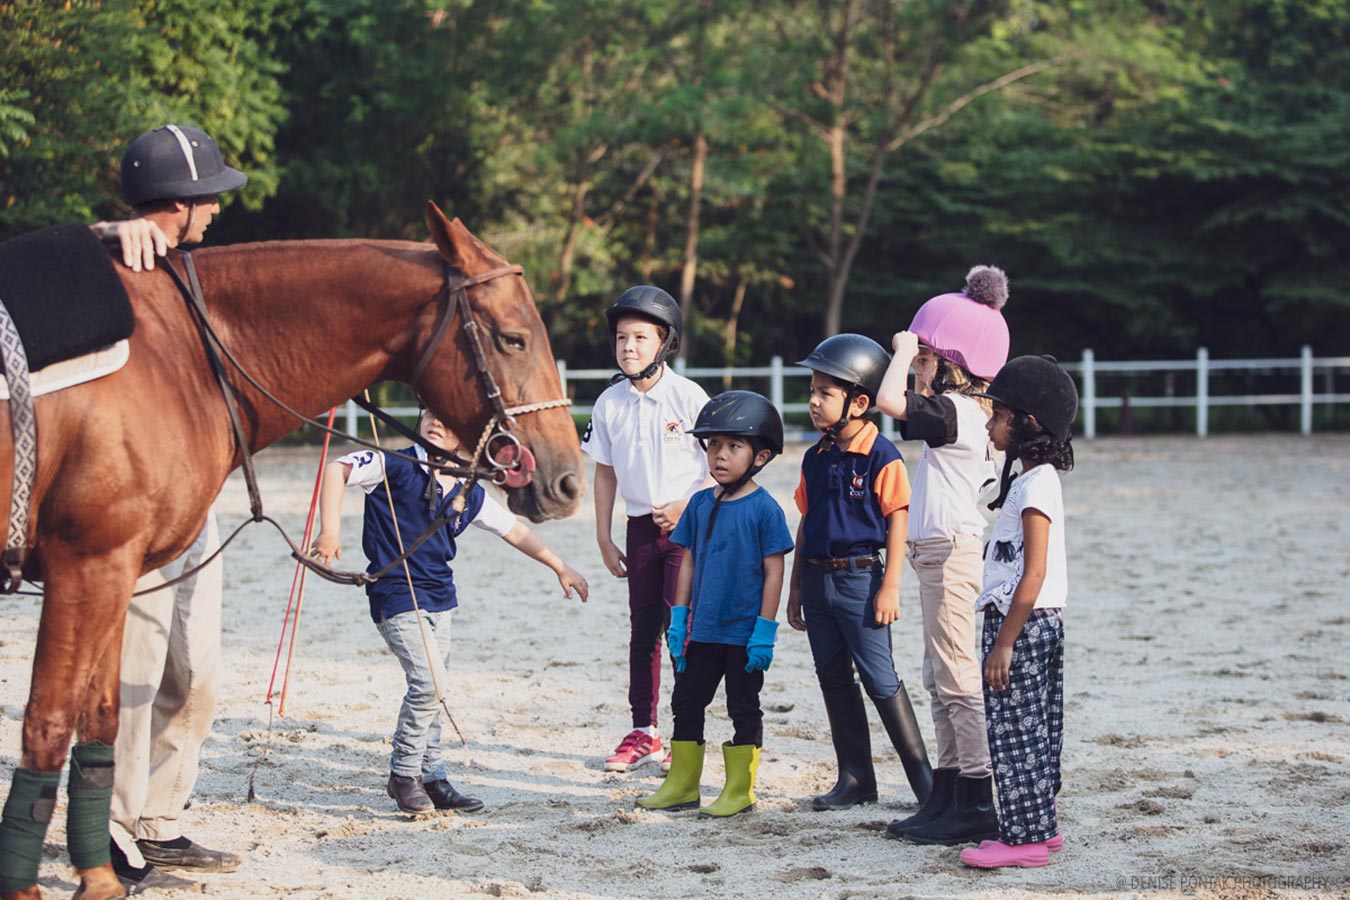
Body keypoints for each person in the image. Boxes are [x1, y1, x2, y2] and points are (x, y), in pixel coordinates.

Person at [92, 123, 248, 894]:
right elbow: (30, 265)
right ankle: (116, 824)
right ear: (176, 203)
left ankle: (160, 814)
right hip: (138, 498)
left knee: (198, 670)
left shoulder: (196, 273)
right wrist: (105, 235)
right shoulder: (110, 262)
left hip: (201, 493)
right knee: (138, 669)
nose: (218, 209)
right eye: (209, 197)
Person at [312, 411, 589, 814]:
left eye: (447, 417)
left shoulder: (469, 490)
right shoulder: (395, 464)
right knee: (426, 685)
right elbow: (337, 469)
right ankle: (403, 775)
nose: (436, 421)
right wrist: (330, 529)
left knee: (435, 689)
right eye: (429, 414)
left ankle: (433, 775)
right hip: (396, 596)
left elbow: (514, 530)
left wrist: (559, 565)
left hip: (441, 599)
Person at [873, 265, 1010, 845]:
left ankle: (976, 797)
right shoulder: (963, 415)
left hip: (950, 553)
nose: (918, 367)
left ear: (952, 362)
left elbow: (886, 398)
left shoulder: (957, 413)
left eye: (928, 357)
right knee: (939, 676)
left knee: (956, 678)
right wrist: (916, 351)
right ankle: (946, 792)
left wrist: (902, 350)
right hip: (940, 553)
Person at [786, 334, 933, 813]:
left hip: (861, 581)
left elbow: (898, 520)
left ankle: (925, 786)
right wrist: (794, 588)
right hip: (816, 581)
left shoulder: (881, 456)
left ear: (860, 401)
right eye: (812, 389)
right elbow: (807, 521)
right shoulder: (816, 456)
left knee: (880, 679)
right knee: (832, 677)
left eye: (824, 392)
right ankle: (855, 778)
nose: (812, 400)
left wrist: (890, 586)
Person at [634, 392, 795, 818]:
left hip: (743, 634)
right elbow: (687, 560)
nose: (720, 456)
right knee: (686, 702)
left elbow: (774, 572)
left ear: (760, 456)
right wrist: (679, 618)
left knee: (743, 706)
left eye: (733, 447)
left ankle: (739, 790)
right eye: (713, 445)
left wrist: (765, 630)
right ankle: (683, 784)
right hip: (701, 630)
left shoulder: (766, 510)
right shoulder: (701, 503)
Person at [581, 286, 710, 773]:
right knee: (643, 631)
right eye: (621, 338)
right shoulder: (610, 403)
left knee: (682, 631)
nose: (628, 347)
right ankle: (644, 731)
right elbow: (605, 471)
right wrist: (602, 534)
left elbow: (713, 467)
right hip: (637, 529)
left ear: (664, 343)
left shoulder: (688, 397)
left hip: (683, 529)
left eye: (639, 337)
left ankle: (684, 733)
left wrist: (684, 505)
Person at [959, 355, 1077, 869]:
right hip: (1033, 621)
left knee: (1015, 730)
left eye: (998, 413)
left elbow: (1033, 571)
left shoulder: (1036, 485)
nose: (989, 422)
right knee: (1037, 724)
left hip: (1022, 624)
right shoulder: (1032, 479)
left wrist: (1005, 640)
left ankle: (1027, 839)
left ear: (1027, 421)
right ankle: (1038, 825)